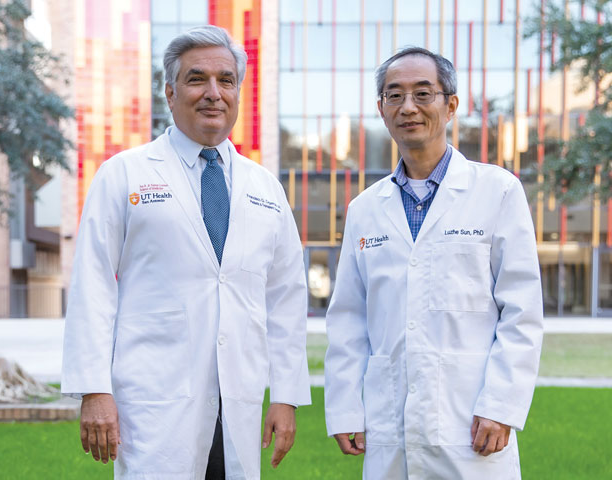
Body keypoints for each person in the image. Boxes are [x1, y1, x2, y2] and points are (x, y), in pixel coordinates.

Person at [62, 25, 311, 479]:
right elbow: (92, 287)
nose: (213, 93)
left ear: (238, 92)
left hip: (238, 395)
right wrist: (94, 389)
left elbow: (286, 299)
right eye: (197, 79)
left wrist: (286, 395)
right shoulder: (124, 174)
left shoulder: (265, 189)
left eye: (226, 80)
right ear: (170, 92)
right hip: (154, 399)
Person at [324, 47, 543, 479]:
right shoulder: (365, 209)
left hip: (471, 423)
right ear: (382, 110)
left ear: (451, 106)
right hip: (390, 426)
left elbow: (522, 311)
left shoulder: (497, 191)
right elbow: (348, 318)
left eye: (423, 94)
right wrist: (345, 407)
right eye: (394, 95)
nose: (408, 107)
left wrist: (501, 405)